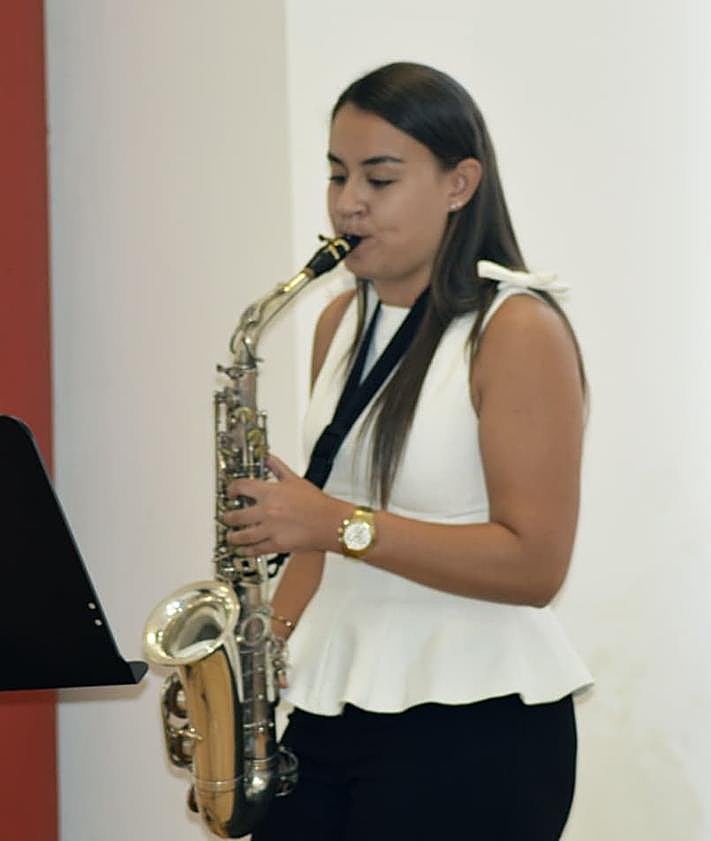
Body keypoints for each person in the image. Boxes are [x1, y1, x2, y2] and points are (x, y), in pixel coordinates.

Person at [224, 62, 592, 841]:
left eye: (378, 178)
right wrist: (250, 682)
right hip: (331, 703)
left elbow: (535, 565)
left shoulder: (516, 327)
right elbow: (318, 538)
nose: (346, 202)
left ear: (459, 184)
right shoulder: (337, 322)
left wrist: (335, 523)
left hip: (475, 720)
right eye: (335, 174)